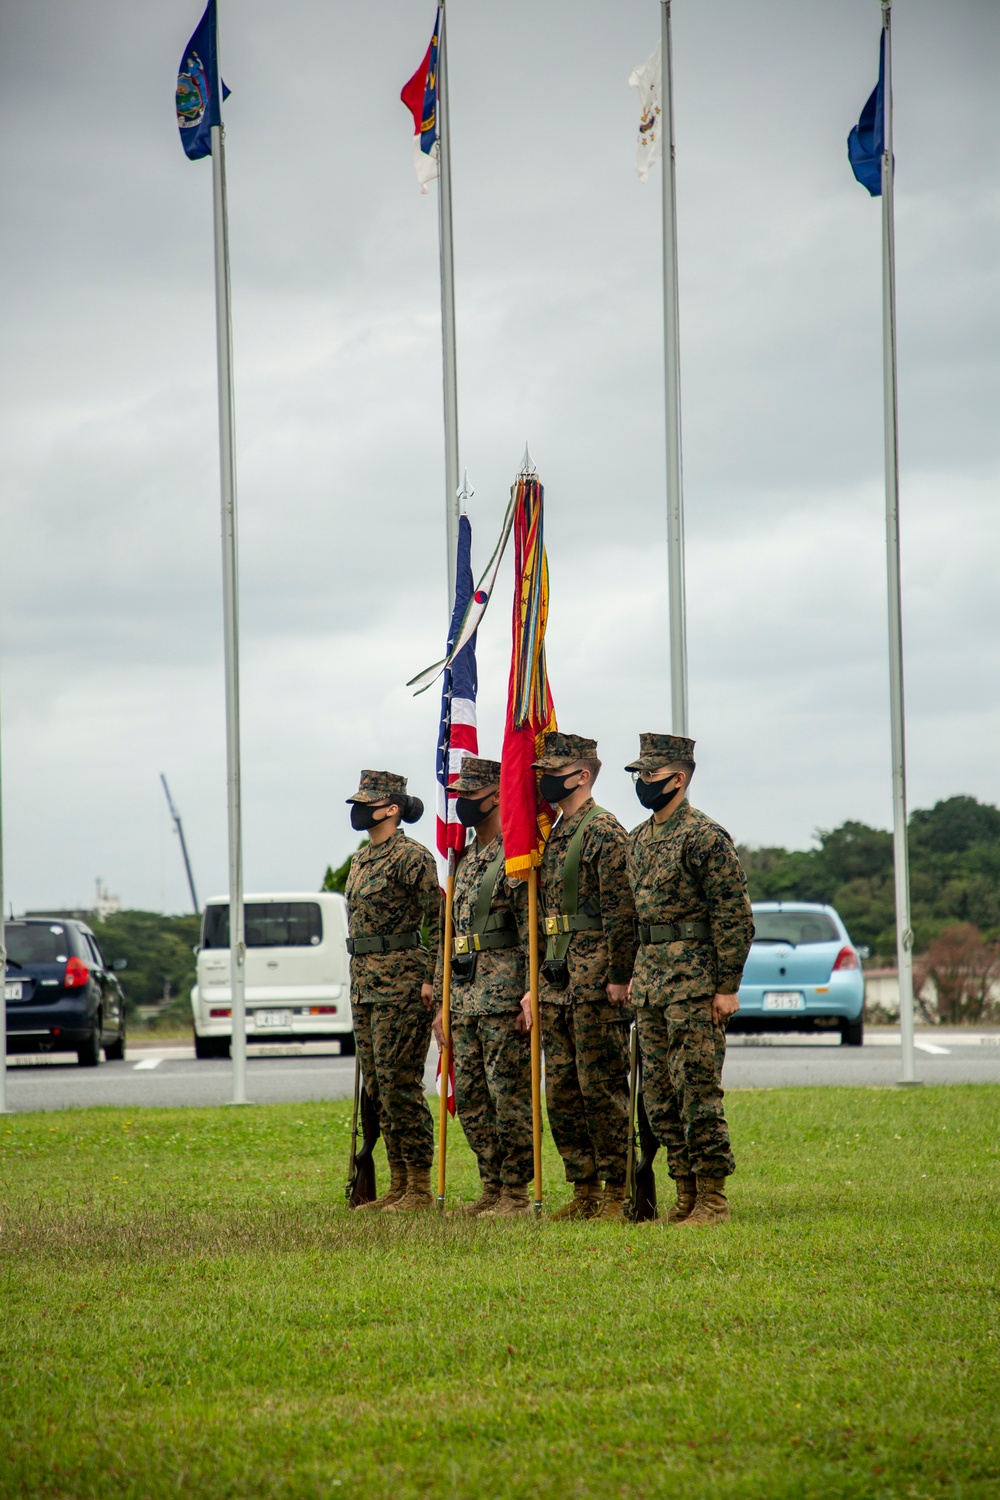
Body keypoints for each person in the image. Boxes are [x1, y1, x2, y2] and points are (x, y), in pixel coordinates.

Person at [624, 733, 754, 1227]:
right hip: (653, 983)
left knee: (696, 1090)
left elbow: (734, 916)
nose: (641, 783)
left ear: (678, 778)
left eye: (649, 775)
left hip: (695, 985)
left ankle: (713, 1199)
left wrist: (727, 985)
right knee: (658, 1095)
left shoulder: (705, 836)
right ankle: (684, 1192)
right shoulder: (638, 839)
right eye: (637, 775)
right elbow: (637, 917)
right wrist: (636, 972)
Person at [525, 732, 637, 1221]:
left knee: (602, 1086)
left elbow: (621, 911)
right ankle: (585, 1187)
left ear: (582, 775)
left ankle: (619, 1189)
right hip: (559, 981)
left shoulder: (605, 831)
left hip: (595, 981)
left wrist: (619, 974)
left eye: (552, 771)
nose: (544, 780)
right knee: (564, 1089)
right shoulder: (558, 834)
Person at [431, 757, 533, 1218]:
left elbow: (533, 930)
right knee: (471, 1097)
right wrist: (443, 1001)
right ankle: (491, 1185)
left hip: (502, 996)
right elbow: (448, 937)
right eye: (458, 796)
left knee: (507, 1093)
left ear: (496, 796)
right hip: (466, 999)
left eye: (470, 796)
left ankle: (515, 1191)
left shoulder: (516, 854)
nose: (462, 804)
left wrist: (532, 991)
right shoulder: (463, 859)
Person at [344, 769, 441, 1212]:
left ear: (392, 808)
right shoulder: (362, 859)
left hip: (402, 982)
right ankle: (398, 1184)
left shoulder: (412, 856)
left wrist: (433, 980)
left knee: (401, 1084)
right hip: (364, 984)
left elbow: (438, 921)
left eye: (368, 802)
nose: (359, 810)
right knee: (378, 1088)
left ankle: (419, 1186)